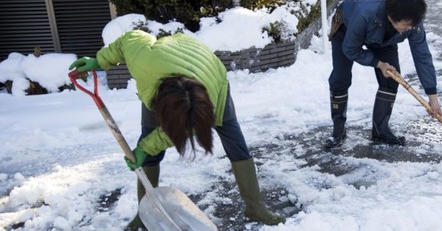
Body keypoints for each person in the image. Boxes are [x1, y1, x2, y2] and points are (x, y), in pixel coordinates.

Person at [69, 30, 285, 230]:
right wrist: (100, 60)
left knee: (235, 142)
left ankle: (255, 207)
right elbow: (130, 38)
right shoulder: (144, 60)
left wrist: (147, 146)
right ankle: (144, 214)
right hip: (162, 74)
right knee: (149, 145)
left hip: (210, 76)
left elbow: (186, 128)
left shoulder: (209, 101)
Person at [325, 0, 442, 149]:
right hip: (346, 27)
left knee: (391, 77)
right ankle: (338, 130)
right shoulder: (364, 14)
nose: (410, 28)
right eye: (406, 25)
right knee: (340, 78)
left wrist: (433, 97)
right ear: (391, 17)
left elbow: (422, 56)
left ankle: (381, 130)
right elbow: (350, 49)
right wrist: (378, 64)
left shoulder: (412, 21)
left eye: (412, 24)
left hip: (384, 37)